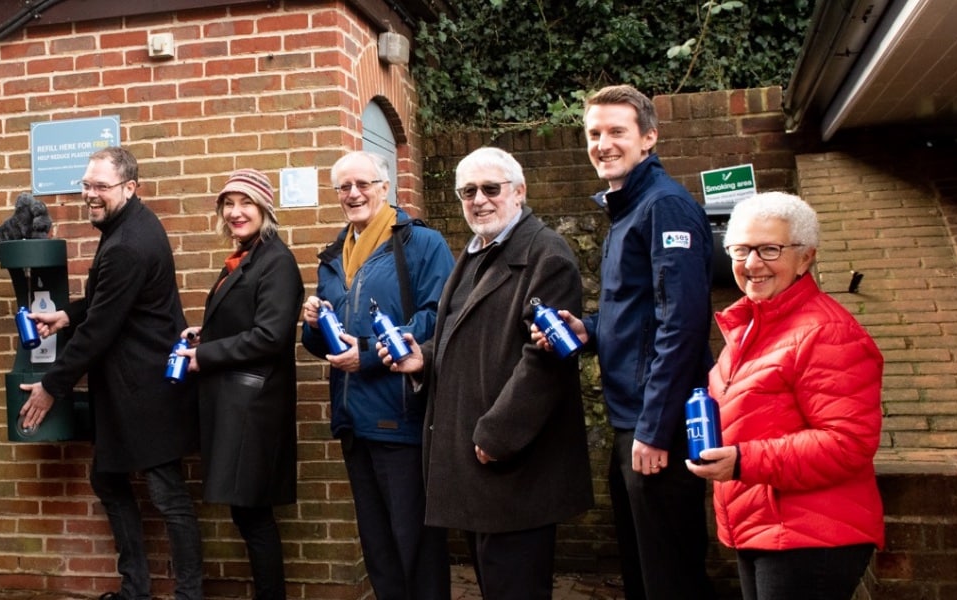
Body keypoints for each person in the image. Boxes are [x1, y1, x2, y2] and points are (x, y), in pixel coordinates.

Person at [532, 84, 717, 600]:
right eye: (594, 133)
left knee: (669, 575)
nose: (603, 143)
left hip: (656, 422)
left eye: (617, 131)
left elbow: (680, 325)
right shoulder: (628, 209)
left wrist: (655, 429)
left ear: (648, 138)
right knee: (642, 568)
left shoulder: (666, 209)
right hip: (633, 419)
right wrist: (588, 327)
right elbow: (640, 312)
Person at [386, 147, 591, 598]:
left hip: (511, 464)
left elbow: (547, 359)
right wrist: (423, 356)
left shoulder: (546, 254)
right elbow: (464, 334)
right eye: (468, 191)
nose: (479, 199)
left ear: (519, 192)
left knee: (514, 586)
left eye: (490, 189)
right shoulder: (478, 251)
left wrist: (498, 436)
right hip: (477, 465)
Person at [15, 147, 202, 600]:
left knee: (167, 494)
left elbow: (101, 329)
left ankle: (187, 594)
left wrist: (50, 387)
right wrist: (66, 315)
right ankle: (135, 589)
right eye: (86, 185)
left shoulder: (128, 243)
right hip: (131, 386)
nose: (90, 194)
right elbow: (109, 303)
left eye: (101, 186)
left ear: (129, 188)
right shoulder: (126, 226)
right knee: (110, 478)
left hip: (148, 388)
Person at [685, 192, 884, 600]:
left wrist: (744, 461)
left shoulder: (827, 332)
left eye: (770, 249)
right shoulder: (752, 326)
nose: (752, 264)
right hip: (765, 527)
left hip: (812, 537)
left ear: (805, 258)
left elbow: (849, 443)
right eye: (740, 249)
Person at [299, 151, 454, 600]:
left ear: (385, 188)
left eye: (363, 184)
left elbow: (437, 318)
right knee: (379, 550)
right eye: (344, 188)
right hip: (353, 421)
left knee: (417, 547)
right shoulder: (334, 254)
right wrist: (314, 326)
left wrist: (368, 354)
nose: (353, 194)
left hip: (400, 417)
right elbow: (328, 346)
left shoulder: (421, 244)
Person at [171, 169, 302, 600]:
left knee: (253, 516)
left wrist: (204, 357)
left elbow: (270, 336)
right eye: (229, 204)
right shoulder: (246, 259)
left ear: (265, 208)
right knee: (248, 515)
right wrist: (205, 336)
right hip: (239, 405)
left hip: (254, 409)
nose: (236, 212)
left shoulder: (276, 262)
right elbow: (245, 323)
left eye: (245, 203)